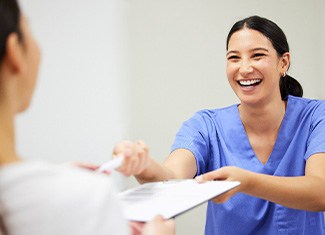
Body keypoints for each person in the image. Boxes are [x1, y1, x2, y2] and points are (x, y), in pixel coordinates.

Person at [113, 15, 325, 234]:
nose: (244, 68)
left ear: (284, 62)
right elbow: (171, 178)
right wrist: (143, 165)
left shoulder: (317, 117)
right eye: (234, 58)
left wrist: (246, 182)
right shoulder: (206, 126)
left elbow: (321, 191)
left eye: (257, 56)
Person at [0, 0, 175, 234]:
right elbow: (176, 177)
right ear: (14, 51)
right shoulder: (86, 199)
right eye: (28, 29)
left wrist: (57, 175)